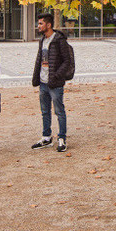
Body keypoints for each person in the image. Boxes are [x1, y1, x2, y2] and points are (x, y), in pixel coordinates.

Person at [30, 13, 72, 152]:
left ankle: (62, 138)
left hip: (55, 83)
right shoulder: (42, 40)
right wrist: (36, 77)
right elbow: (39, 60)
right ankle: (46, 137)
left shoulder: (59, 40)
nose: (39, 26)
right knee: (45, 111)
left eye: (41, 23)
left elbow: (67, 61)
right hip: (43, 82)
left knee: (59, 111)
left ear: (48, 25)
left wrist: (56, 76)